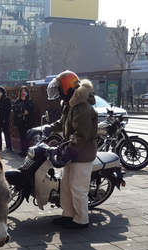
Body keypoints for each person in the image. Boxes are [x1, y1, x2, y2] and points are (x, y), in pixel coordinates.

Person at [47, 71, 98, 230]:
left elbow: (81, 134)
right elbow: (62, 123)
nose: (58, 93)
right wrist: (47, 128)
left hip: (81, 155)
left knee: (78, 188)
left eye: (59, 89)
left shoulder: (82, 107)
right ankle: (68, 214)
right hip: (72, 152)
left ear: (66, 88)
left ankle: (81, 220)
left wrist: (70, 150)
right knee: (67, 186)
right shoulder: (71, 104)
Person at [12, 86, 35, 157]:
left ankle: (27, 151)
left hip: (27, 122)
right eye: (22, 91)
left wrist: (25, 100)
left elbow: (31, 108)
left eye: (25, 91)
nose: (23, 93)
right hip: (20, 121)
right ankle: (23, 151)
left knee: (27, 137)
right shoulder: (17, 101)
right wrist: (22, 111)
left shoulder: (30, 100)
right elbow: (14, 108)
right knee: (22, 136)